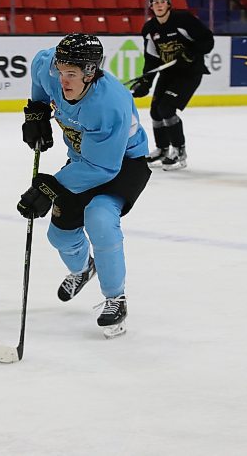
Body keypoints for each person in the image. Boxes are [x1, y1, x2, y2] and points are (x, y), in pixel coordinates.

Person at [16, 33, 151, 338]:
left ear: (90, 73)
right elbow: (40, 65)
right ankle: (83, 269)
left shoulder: (109, 104)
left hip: (124, 164)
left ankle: (116, 298)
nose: (63, 80)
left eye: (72, 74)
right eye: (61, 71)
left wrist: (48, 188)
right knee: (59, 235)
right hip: (83, 161)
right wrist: (36, 110)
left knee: (100, 218)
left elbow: (103, 167)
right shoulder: (49, 68)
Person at [131, 0, 214, 170]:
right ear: (151, 6)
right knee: (155, 111)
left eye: (162, 1)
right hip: (169, 72)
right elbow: (151, 58)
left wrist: (191, 54)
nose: (159, 5)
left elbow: (207, 39)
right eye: (155, 2)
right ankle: (162, 149)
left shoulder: (183, 20)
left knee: (166, 108)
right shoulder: (150, 29)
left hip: (190, 72)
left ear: (168, 4)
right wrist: (146, 81)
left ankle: (179, 152)